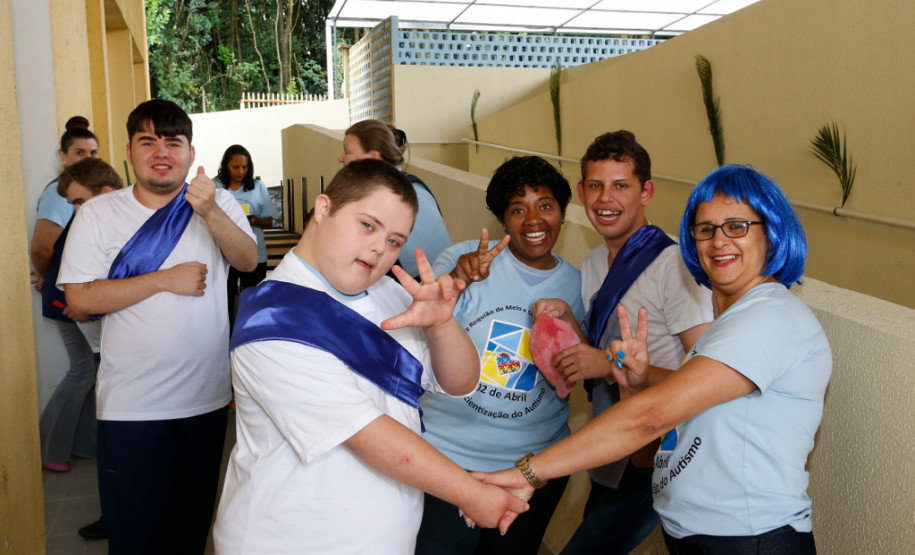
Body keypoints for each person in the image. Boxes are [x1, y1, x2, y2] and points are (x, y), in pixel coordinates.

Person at [480, 164, 832, 555]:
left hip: (752, 541)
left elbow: (651, 418)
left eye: (737, 226)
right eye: (705, 229)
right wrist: (633, 385)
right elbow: (649, 455)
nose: (718, 241)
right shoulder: (726, 328)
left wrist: (531, 471)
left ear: (771, 234)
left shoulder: (768, 317)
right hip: (698, 538)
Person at [213, 159, 528, 554]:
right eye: (368, 225)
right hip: (291, 539)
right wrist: (471, 492)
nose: (381, 247)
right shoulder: (274, 319)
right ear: (324, 209)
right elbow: (371, 437)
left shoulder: (389, 293)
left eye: (396, 240)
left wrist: (442, 325)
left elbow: (460, 383)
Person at [58, 99, 258, 555]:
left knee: (189, 532)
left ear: (190, 152)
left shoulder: (216, 200)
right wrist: (164, 280)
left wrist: (209, 212)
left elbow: (247, 261)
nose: (162, 152)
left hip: (204, 403)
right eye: (148, 141)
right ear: (129, 151)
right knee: (135, 537)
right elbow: (81, 300)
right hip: (131, 408)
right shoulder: (98, 213)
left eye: (173, 142)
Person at [533, 130, 713, 554]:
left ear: (646, 191)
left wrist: (604, 365)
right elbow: (601, 351)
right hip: (615, 442)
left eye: (621, 186)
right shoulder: (595, 261)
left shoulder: (675, 266)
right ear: (581, 192)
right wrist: (568, 321)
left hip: (662, 447)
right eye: (595, 186)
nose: (605, 199)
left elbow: (706, 381)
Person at [415, 156, 583, 555]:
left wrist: (570, 319)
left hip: (533, 466)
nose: (533, 220)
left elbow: (581, 369)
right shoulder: (461, 260)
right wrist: (457, 279)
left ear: (563, 213)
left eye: (545, 205)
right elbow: (427, 326)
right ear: (502, 219)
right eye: (517, 209)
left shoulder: (579, 283)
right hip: (447, 461)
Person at [47, 158, 125, 541]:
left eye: (79, 202)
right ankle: (113, 515)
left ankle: (120, 517)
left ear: (105, 195)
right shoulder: (88, 230)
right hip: (106, 352)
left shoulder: (126, 232)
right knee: (111, 446)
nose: (75, 212)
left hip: (125, 358)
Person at [33, 115, 100, 473]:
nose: (86, 157)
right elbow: (42, 247)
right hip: (65, 295)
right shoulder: (60, 193)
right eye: (79, 152)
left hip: (74, 290)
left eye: (92, 151)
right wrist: (48, 279)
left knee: (89, 369)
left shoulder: (86, 191)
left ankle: (82, 444)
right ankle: (48, 446)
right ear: (63, 155)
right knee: (83, 370)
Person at [339, 119, 452, 278]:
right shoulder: (395, 188)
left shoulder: (399, 196)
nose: (341, 158)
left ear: (373, 156)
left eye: (347, 151)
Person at [213, 144, 274, 325]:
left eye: (245, 167)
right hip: (223, 255)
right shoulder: (214, 186)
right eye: (236, 167)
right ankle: (227, 338)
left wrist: (254, 221)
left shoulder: (258, 186)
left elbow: (269, 222)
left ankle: (251, 336)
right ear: (226, 166)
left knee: (254, 301)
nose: (241, 171)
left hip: (255, 255)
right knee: (225, 301)